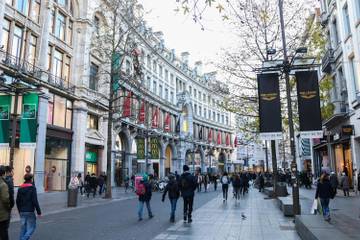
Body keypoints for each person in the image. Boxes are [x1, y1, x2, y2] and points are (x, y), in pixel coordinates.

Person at [16, 173, 42, 240]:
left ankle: (22, 238)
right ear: (31, 179)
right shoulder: (32, 188)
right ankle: (23, 239)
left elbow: (17, 201)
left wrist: (19, 211)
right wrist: (39, 212)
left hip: (22, 211)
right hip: (30, 210)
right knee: (32, 227)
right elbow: (35, 201)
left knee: (23, 228)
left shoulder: (20, 188)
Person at [0, 166, 11, 240]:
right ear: (3, 174)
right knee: (3, 233)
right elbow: (5, 199)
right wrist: (9, 207)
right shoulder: (3, 184)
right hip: (2, 214)